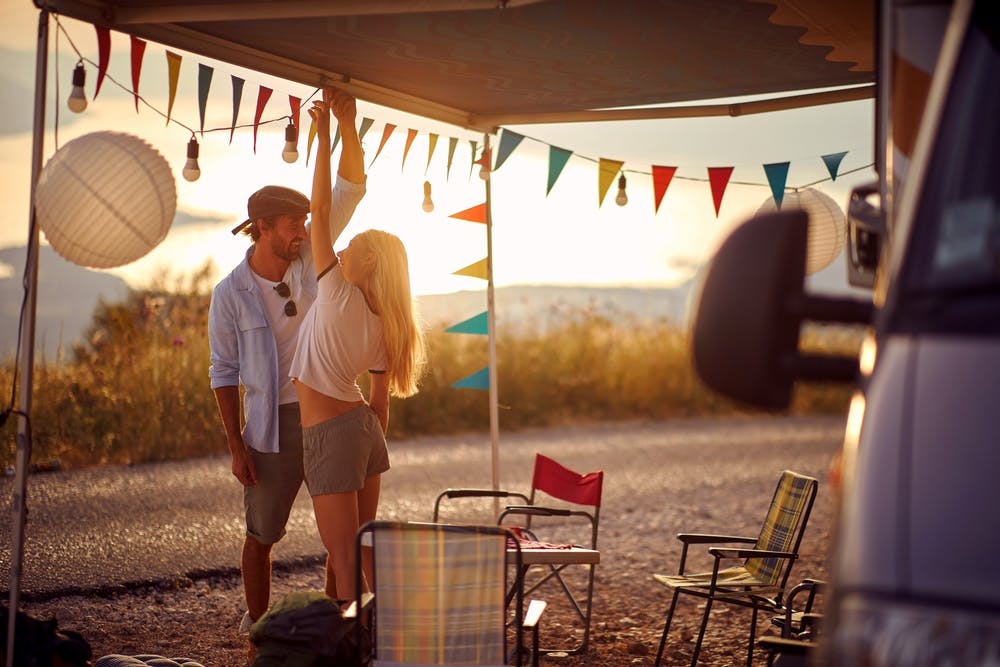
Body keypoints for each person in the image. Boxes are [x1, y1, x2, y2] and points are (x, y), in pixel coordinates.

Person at [207, 111, 366, 635]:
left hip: (330, 412)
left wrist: (345, 125)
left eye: (304, 220)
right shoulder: (229, 294)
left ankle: (329, 628)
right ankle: (257, 630)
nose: (303, 229)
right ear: (262, 229)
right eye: (293, 223)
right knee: (262, 533)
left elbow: (350, 189)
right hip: (269, 428)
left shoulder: (309, 260)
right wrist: (235, 444)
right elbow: (223, 372)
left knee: (340, 535)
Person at [290, 88, 426, 602]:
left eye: (354, 246)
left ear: (368, 264)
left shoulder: (336, 291)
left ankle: (353, 651)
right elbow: (381, 403)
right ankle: (396, 635)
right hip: (365, 430)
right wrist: (349, 129)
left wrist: (323, 135)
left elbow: (320, 209)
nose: (342, 247)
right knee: (364, 552)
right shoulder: (389, 326)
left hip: (331, 432)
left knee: (344, 561)